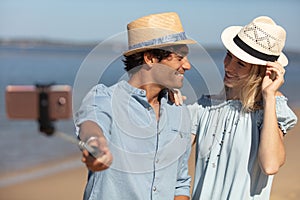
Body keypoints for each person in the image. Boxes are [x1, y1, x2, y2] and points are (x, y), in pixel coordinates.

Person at [74, 12, 196, 200]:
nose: (187, 66)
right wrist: (95, 145)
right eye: (179, 58)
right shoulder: (105, 98)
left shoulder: (179, 111)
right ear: (150, 58)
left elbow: (180, 183)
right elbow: (90, 123)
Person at [187, 16, 298, 199]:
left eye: (240, 64)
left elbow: (270, 165)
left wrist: (269, 96)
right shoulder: (204, 108)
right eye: (229, 56)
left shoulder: (268, 112)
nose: (228, 67)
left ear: (261, 71)